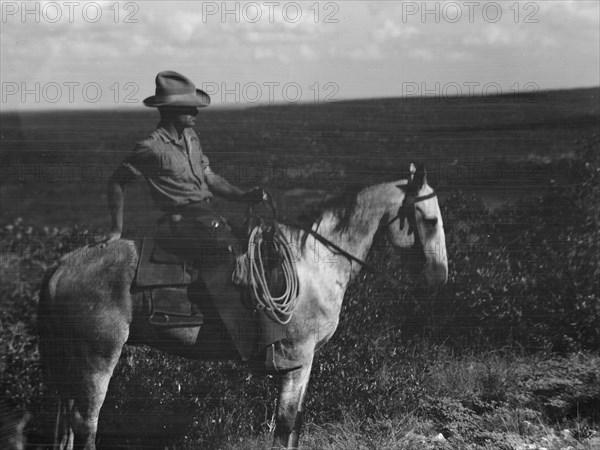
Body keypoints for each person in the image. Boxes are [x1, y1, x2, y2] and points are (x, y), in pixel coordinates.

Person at [104, 71, 264, 262]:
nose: (196, 112)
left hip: (206, 217)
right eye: (189, 108)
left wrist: (243, 196)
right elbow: (116, 181)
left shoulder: (191, 136)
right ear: (171, 110)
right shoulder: (151, 148)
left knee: (253, 242)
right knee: (230, 256)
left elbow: (210, 177)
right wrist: (116, 229)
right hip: (181, 224)